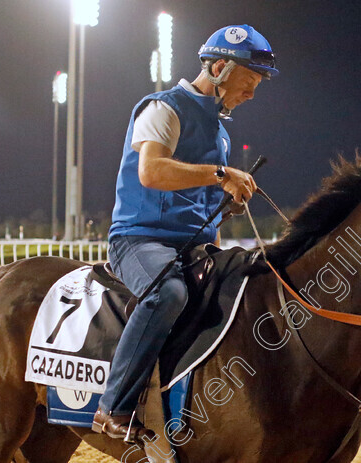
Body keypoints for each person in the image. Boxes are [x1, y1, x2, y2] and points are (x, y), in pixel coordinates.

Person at [93, 24, 279, 441]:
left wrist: (223, 206)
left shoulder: (221, 133)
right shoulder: (163, 108)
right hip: (139, 240)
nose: (251, 95)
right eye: (247, 84)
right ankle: (113, 406)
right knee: (168, 293)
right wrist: (219, 175)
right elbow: (152, 171)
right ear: (217, 67)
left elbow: (197, 195)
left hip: (192, 246)